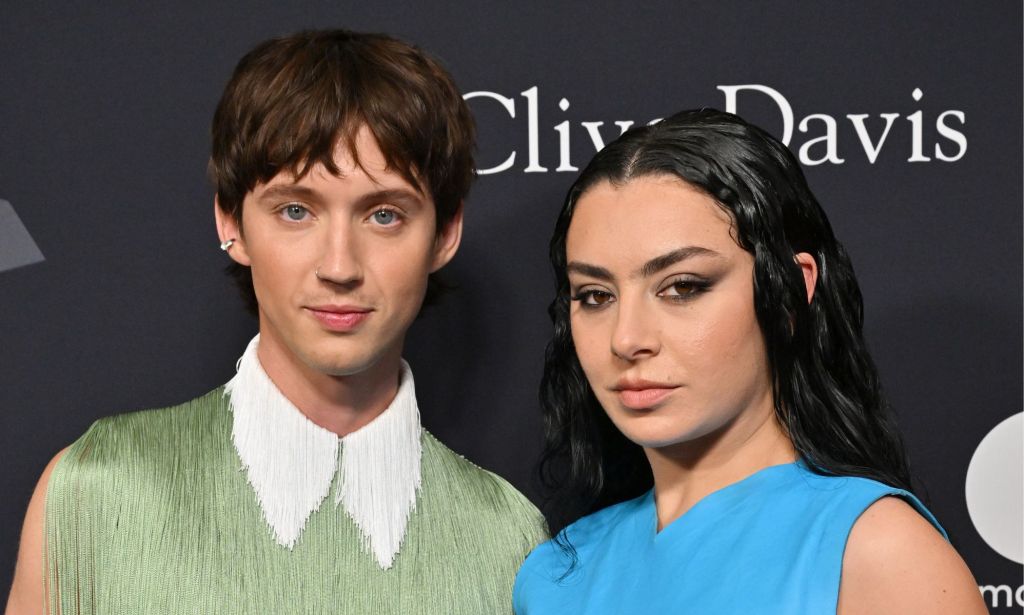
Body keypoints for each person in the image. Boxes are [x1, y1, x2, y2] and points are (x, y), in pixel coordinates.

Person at [6, 29, 546, 615]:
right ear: (230, 221)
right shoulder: (96, 491)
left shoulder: (508, 540)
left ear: (444, 234)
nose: (339, 266)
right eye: (296, 210)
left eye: (384, 214)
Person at [513, 109, 986, 614]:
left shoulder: (875, 554)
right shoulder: (556, 575)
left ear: (787, 293)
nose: (627, 339)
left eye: (682, 287)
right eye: (595, 295)